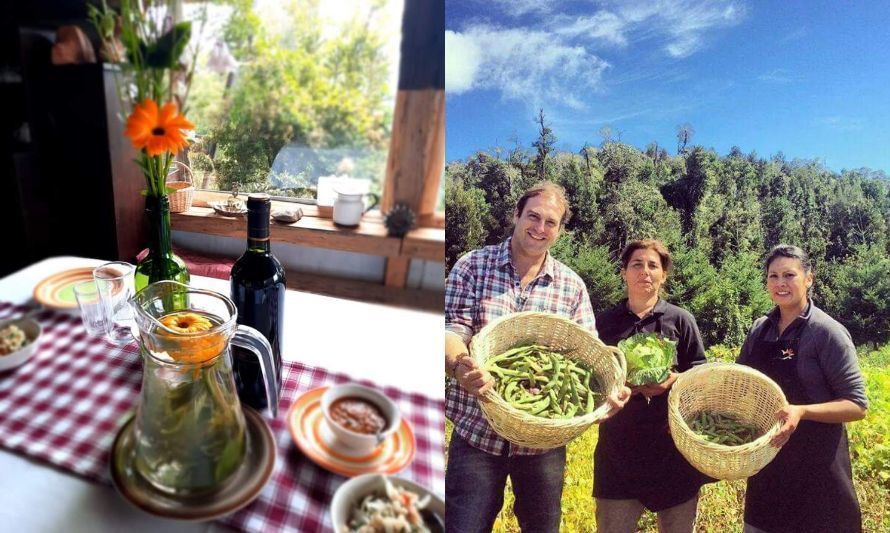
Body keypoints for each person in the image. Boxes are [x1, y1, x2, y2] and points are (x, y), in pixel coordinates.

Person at [444, 181, 630, 533]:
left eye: (551, 222)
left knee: (542, 528)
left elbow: (589, 354)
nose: (540, 228)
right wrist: (458, 365)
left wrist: (610, 391)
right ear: (516, 215)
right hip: (477, 430)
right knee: (464, 526)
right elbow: (453, 330)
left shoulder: (571, 285)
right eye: (533, 216)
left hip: (543, 444)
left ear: (559, 230)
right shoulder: (472, 266)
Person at [738, 245, 868, 533]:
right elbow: (740, 384)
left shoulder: (826, 332)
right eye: (773, 276)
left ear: (809, 278)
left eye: (789, 275)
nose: (780, 283)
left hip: (818, 474)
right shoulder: (760, 330)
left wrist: (801, 411)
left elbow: (857, 405)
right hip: (768, 471)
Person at [593, 239, 709, 533]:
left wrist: (674, 380)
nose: (644, 271)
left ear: (663, 275)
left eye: (653, 266)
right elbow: (591, 377)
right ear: (624, 272)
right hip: (617, 450)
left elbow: (700, 371)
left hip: (673, 451)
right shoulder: (605, 323)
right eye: (636, 264)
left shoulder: (680, 320)